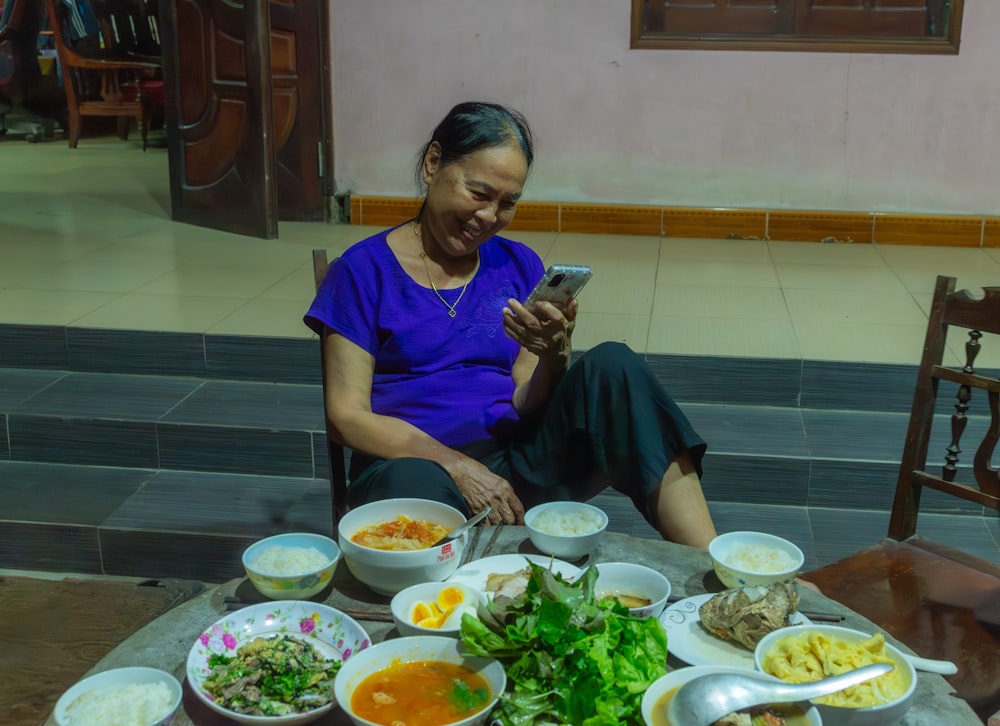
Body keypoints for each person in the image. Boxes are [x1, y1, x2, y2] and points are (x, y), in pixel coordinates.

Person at [305, 101, 718, 549]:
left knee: (614, 366)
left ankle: (719, 573)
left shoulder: (519, 265)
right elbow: (345, 417)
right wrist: (454, 465)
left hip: (512, 469)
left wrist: (554, 354)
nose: (488, 217)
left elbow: (524, 399)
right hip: (409, 471)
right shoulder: (363, 272)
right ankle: (445, 606)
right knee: (412, 487)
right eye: (479, 194)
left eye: (508, 203)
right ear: (433, 163)